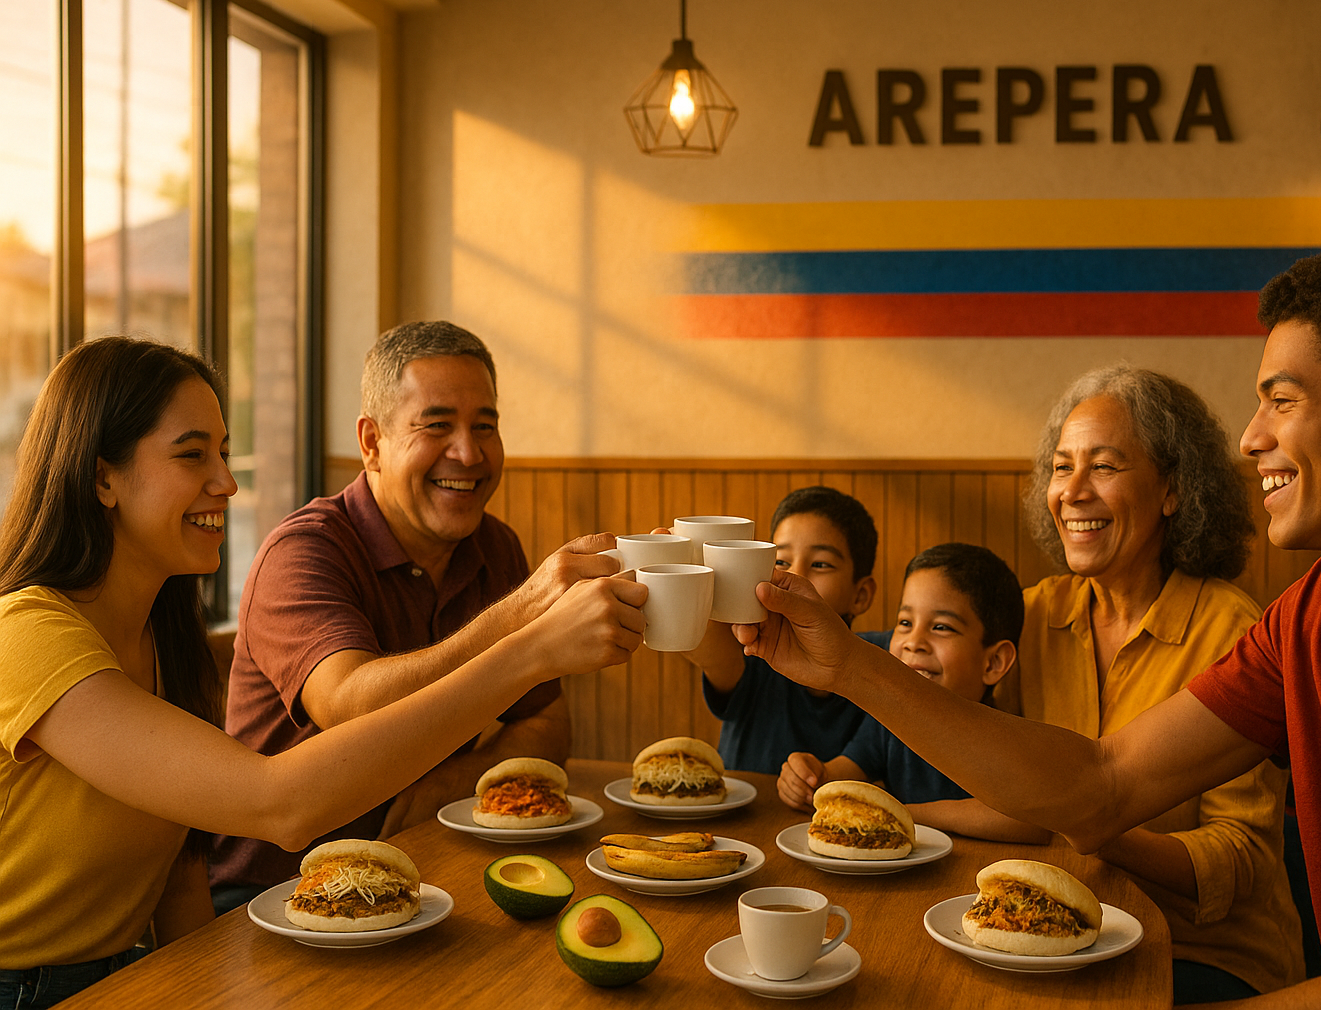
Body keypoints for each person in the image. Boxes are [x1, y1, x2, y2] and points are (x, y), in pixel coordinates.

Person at [736, 243, 1321, 1008]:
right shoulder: (1312, 615)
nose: (1252, 436)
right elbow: (1107, 783)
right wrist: (846, 666)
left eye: (1281, 401)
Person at [0, 337, 644, 1008]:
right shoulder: (28, 635)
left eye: (223, 452)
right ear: (103, 476)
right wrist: (529, 645)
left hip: (127, 974)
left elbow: (180, 877)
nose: (226, 481)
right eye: (193, 455)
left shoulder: (160, 632)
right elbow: (278, 804)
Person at [211, 321, 619, 912]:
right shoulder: (303, 551)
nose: (469, 453)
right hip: (269, 896)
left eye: (486, 426)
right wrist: (525, 612)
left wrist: (447, 784)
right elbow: (350, 704)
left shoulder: (493, 547)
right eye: (437, 425)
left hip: (421, 876)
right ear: (371, 442)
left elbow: (547, 728)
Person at [991, 365, 1301, 1003]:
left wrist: (1093, 823)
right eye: (1060, 466)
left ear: (1172, 490)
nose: (1072, 491)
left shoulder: (1233, 629)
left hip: (1206, 957)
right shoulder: (1027, 617)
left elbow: (1241, 859)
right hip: (1060, 937)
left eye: (1103, 466)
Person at [779, 542, 1047, 843]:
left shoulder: (1004, 732)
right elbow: (842, 775)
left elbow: (1030, 821)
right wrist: (809, 777)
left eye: (942, 627)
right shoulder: (891, 723)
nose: (913, 642)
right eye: (905, 623)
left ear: (994, 662)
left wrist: (904, 814)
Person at [688, 486, 885, 774]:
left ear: (861, 595)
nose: (795, 577)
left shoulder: (884, 663)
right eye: (780, 562)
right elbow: (702, 640)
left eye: (820, 564)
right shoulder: (752, 649)